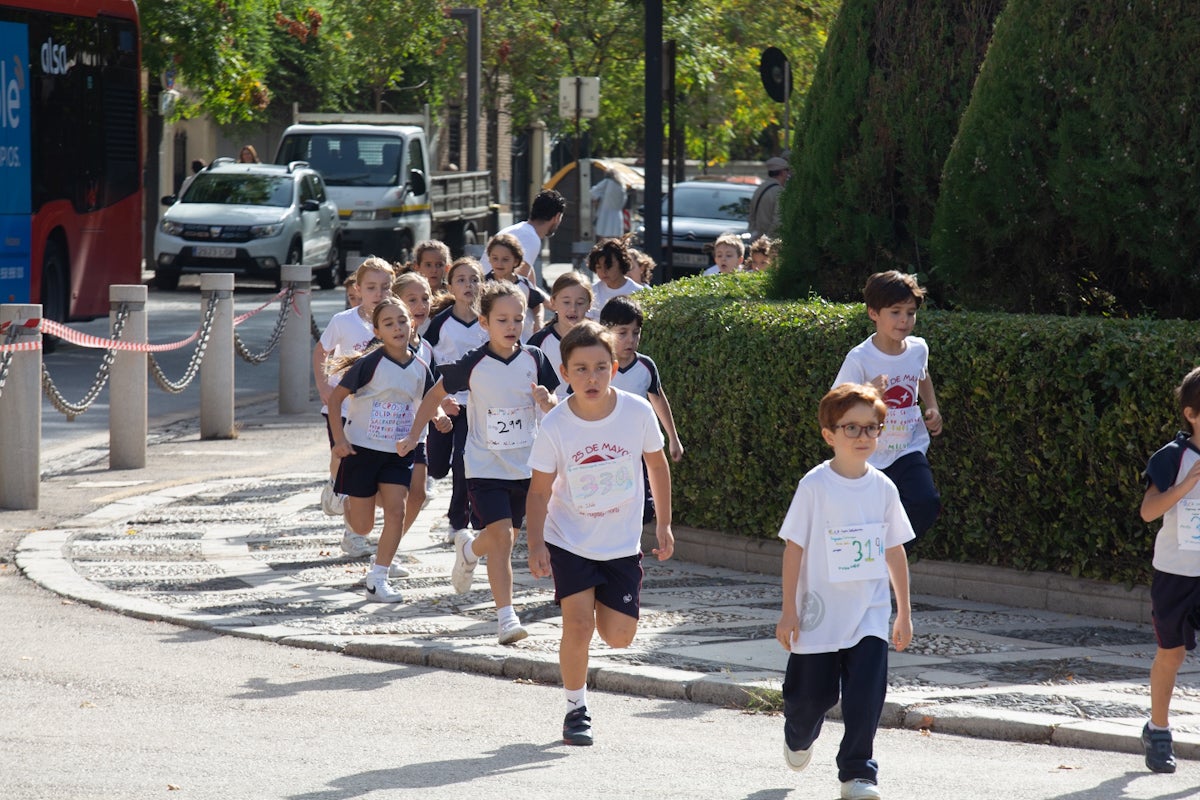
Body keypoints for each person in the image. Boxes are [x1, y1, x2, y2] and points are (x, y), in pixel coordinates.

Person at [526, 320, 675, 746]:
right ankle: (576, 709)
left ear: (613, 367)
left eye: (600, 368)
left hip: (620, 543)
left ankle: (601, 619)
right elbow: (538, 492)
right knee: (577, 625)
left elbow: (657, 466)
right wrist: (536, 542)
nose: (591, 378)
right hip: (568, 538)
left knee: (619, 637)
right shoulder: (556, 424)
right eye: (580, 369)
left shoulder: (636, 411)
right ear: (565, 371)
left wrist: (662, 523)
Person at [398, 281, 560, 645]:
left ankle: (469, 549)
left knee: (506, 536)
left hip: (526, 466)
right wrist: (413, 436)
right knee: (502, 538)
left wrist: (546, 400)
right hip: (484, 465)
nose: (511, 326)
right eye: (502, 319)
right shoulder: (474, 362)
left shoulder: (534, 358)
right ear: (484, 322)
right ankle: (506, 618)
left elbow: (553, 399)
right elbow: (434, 393)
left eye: (518, 319)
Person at [775, 382, 913, 800]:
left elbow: (894, 550)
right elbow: (793, 549)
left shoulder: (884, 488)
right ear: (829, 435)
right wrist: (788, 610)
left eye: (871, 428)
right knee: (810, 698)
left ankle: (858, 773)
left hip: (868, 613)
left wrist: (902, 611)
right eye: (851, 428)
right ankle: (799, 736)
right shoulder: (814, 486)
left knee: (865, 695)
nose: (863, 437)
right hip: (818, 614)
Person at [325, 298, 446, 602]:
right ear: (378, 331)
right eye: (389, 323)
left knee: (397, 509)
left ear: (412, 324)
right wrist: (339, 441)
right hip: (362, 450)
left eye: (402, 321)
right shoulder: (370, 363)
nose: (397, 328)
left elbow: (428, 400)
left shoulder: (420, 365)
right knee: (362, 526)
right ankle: (343, 495)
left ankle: (378, 577)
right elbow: (336, 399)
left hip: (398, 451)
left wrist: (441, 416)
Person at [833, 271, 942, 551]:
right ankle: (868, 565)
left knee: (925, 501)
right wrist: (868, 391)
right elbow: (835, 404)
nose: (904, 320)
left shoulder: (918, 348)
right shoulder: (860, 358)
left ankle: (888, 553)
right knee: (868, 519)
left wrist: (932, 407)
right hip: (869, 453)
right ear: (873, 313)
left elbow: (922, 375)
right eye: (895, 312)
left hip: (909, 447)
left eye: (910, 312)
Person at [1137, 366, 1200, 774]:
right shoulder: (1172, 457)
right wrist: (1187, 484)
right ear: (1192, 414)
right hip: (1176, 573)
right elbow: (1147, 512)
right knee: (1171, 654)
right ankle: (1158, 730)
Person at [313, 257, 395, 548]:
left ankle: (353, 533)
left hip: (376, 411)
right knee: (342, 457)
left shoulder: (396, 319)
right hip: (343, 405)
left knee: (361, 470)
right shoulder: (343, 321)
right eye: (371, 287)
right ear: (358, 289)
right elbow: (321, 351)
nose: (379, 293)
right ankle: (335, 486)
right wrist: (323, 385)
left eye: (385, 287)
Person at [598, 295, 684, 523]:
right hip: (603, 451)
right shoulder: (598, 365)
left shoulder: (645, 366)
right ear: (605, 330)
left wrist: (673, 438)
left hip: (637, 451)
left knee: (644, 509)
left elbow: (657, 398)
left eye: (635, 333)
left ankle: (629, 547)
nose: (630, 340)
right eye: (622, 333)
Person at [423, 258, 489, 541]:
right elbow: (425, 362)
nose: (468, 285)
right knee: (438, 467)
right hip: (444, 402)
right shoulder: (440, 324)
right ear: (451, 285)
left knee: (464, 460)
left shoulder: (488, 321)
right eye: (461, 280)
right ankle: (433, 481)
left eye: (474, 279)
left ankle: (459, 522)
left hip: (475, 403)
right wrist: (438, 401)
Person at [393, 272, 454, 529]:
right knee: (385, 496)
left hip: (415, 432)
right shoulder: (384, 345)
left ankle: (390, 545)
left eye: (425, 298)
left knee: (418, 494)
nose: (420, 306)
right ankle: (353, 507)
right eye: (412, 299)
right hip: (382, 431)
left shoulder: (427, 349)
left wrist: (439, 414)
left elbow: (429, 391)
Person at [528, 271, 593, 400]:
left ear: (589, 305)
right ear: (553, 302)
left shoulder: (598, 340)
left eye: (580, 303)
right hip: (548, 414)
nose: (573, 308)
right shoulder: (539, 341)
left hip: (588, 413)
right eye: (566, 302)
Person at [483, 189, 567, 288]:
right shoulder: (531, 239)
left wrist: (549, 303)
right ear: (557, 217)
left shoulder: (521, 230)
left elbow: (531, 287)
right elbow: (517, 286)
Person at [484, 233, 546, 341]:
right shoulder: (484, 284)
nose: (499, 263)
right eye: (495, 258)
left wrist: (538, 321)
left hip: (523, 340)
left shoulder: (524, 285)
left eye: (505, 259)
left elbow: (538, 304)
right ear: (489, 259)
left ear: (516, 261)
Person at [586, 238, 642, 320]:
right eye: (599, 267)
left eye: (608, 266)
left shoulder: (639, 292)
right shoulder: (591, 292)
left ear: (621, 263)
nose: (603, 271)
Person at [747, 155, 789, 240]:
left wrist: (754, 234)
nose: (788, 174)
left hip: (756, 238)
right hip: (768, 242)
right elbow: (778, 220)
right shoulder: (779, 191)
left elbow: (751, 216)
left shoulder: (759, 188)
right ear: (782, 172)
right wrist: (767, 238)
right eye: (787, 170)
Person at [590, 173, 627, 240]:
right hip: (617, 216)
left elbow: (593, 192)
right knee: (616, 240)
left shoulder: (607, 182)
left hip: (605, 215)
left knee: (603, 239)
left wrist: (599, 198)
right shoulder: (622, 185)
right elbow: (623, 201)